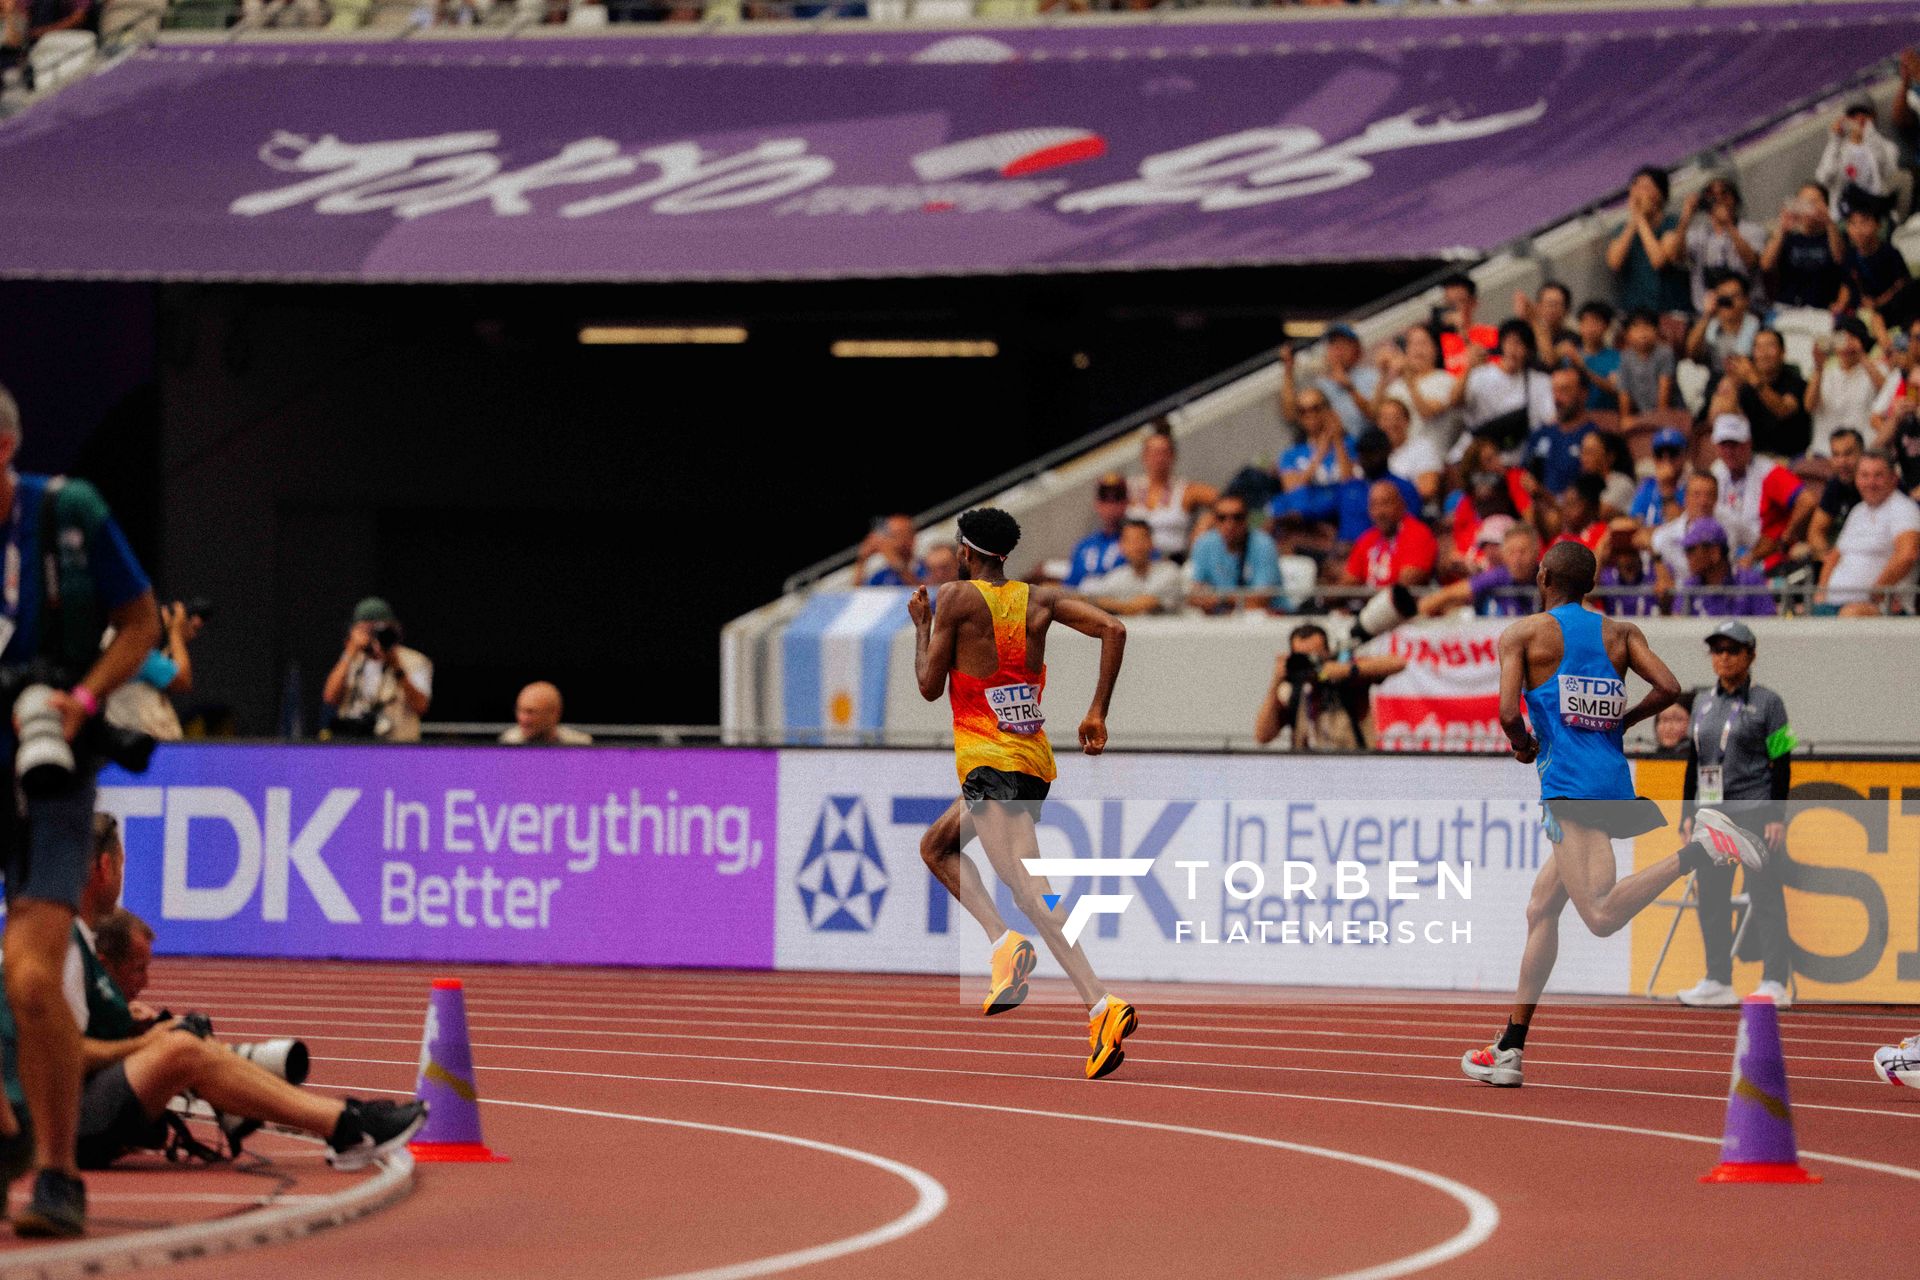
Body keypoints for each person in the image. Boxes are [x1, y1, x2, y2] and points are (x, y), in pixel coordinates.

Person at [1462, 542, 1756, 1089]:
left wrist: (1525, 743)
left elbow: (1507, 713)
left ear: (1543, 575)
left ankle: (1704, 849)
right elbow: (1668, 688)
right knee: (1540, 909)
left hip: (1571, 790)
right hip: (1610, 781)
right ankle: (1510, 1046)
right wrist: (1621, 720)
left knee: (1598, 915)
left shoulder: (1523, 635)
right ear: (1591, 585)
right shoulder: (1620, 634)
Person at [10, 815, 427, 1173]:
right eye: (121, 865)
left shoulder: (73, 940)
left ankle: (345, 1120)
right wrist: (143, 1043)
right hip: (61, 1121)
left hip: (73, 1107)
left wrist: (131, 1023)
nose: (121, 877)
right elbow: (57, 1054)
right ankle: (345, 1125)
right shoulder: (61, 945)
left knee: (181, 1039)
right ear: (104, 867)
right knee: (179, 1049)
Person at [0, 382, 160, 1238]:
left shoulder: (68, 513)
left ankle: (58, 1174)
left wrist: (83, 701)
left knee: (30, 978)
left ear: (3, 450)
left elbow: (140, 625)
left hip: (48, 770)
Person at [908, 508, 1138, 1080]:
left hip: (991, 763)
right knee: (937, 848)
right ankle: (1005, 943)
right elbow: (1115, 628)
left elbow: (929, 688)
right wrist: (1096, 712)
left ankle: (1101, 1004)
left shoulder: (956, 598)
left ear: (965, 550)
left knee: (1034, 892)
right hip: (1030, 762)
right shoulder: (1040, 600)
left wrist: (922, 626)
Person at [1672, 621, 1797, 1008]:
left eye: (1732, 649)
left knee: (1764, 896)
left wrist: (1777, 815)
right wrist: (1687, 813)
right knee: (1711, 897)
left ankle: (1775, 980)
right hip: (1713, 814)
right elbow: (1695, 761)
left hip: (1756, 810)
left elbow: (1784, 761)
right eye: (1717, 649)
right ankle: (1717, 979)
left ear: (1751, 655)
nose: (1723, 657)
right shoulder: (1702, 703)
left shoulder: (1770, 702)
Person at [1253, 623, 1406, 753]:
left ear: (1327, 653)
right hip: (1307, 772)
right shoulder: (1292, 690)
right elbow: (1263, 735)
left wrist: (1345, 670)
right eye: (1302, 657)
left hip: (1354, 767)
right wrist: (1276, 681)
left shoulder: (1346, 675)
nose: (1309, 664)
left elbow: (1398, 663)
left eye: (1314, 657)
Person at [1818, 450, 1920, 614]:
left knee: (1850, 615)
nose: (1870, 482)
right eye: (1864, 476)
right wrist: (1820, 594)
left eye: (1878, 475)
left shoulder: (1904, 509)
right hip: (1834, 603)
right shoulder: (1858, 511)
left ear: (1894, 478)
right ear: (1856, 479)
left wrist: (1877, 592)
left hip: (1882, 608)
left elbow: (1908, 554)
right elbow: (1835, 556)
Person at [321, 598, 432, 742]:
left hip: (398, 749)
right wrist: (350, 651)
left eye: (379, 630)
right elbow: (330, 697)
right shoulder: (352, 660)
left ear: (394, 630)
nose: (374, 636)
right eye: (367, 630)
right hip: (354, 747)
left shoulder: (415, 661)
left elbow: (421, 707)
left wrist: (396, 666)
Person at [104, 599, 204, 744]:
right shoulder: (128, 644)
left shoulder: (113, 639)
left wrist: (174, 636)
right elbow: (181, 680)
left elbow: (158, 671)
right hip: (140, 745)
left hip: (133, 742)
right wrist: (175, 633)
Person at [1672, 176, 1766, 313]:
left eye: (1724, 193)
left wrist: (1728, 224)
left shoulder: (1752, 231)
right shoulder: (1698, 234)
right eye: (1712, 196)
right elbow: (1676, 257)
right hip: (1708, 312)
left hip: (1748, 310)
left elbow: (1751, 262)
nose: (1719, 200)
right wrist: (1686, 217)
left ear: (1735, 199)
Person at [1608, 166, 1688, 317]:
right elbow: (1614, 263)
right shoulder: (1622, 229)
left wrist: (1640, 219)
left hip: (1669, 310)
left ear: (1660, 193)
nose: (1639, 192)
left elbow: (1659, 260)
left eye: (1646, 187)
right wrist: (1634, 222)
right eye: (1635, 186)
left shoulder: (1672, 224)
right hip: (1635, 312)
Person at [1420, 521, 1540, 618]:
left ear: (1536, 552)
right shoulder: (1498, 575)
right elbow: (1453, 593)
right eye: (1511, 552)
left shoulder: (1547, 578)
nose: (1517, 559)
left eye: (1523, 551)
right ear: (1504, 554)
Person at [1127, 429, 1215, 561]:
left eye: (1164, 453)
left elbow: (1225, 501)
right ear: (1144, 456)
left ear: (1173, 456)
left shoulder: (1185, 490)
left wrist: (1205, 523)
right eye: (1154, 453)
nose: (1159, 458)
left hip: (1173, 561)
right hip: (1136, 564)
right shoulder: (1131, 488)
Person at [1186, 496, 1282, 615]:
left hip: (1264, 618)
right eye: (1222, 518)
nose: (1230, 524)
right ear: (1214, 520)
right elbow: (1194, 594)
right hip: (1221, 617)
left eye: (1237, 517)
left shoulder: (1264, 545)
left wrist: (1220, 598)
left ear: (1247, 519)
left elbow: (1260, 600)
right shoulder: (1204, 543)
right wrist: (1207, 601)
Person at [1725, 329, 1811, 459]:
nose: (1764, 353)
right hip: (1755, 457)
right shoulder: (1746, 386)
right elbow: (1731, 420)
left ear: (1783, 352)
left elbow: (1783, 409)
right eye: (1758, 347)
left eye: (1770, 346)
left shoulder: (1797, 383)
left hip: (1791, 458)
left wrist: (1755, 380)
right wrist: (1733, 385)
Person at [1808, 317, 1886, 457]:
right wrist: (1818, 369)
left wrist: (1861, 354)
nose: (1846, 344)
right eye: (1841, 338)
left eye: (1852, 338)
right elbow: (1809, 406)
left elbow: (1887, 392)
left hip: (1865, 453)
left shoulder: (1877, 369)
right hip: (1825, 452)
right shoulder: (1824, 373)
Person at [1762, 182, 1845, 312]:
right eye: (1803, 202)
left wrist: (1828, 221)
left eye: (1814, 202)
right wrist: (1782, 228)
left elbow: (1840, 260)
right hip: (1787, 307)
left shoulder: (1833, 235)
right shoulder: (1788, 236)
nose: (1808, 207)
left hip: (1822, 309)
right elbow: (1766, 265)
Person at [1342, 481, 1436, 589]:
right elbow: (1347, 584)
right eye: (1374, 505)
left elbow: (1404, 587)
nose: (1379, 512)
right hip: (1367, 602)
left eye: (1385, 503)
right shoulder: (1368, 538)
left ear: (1401, 505)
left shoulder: (1418, 534)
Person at [1523, 367, 1600, 497]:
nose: (1557, 398)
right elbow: (1523, 475)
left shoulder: (1593, 438)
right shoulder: (1540, 434)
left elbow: (1590, 493)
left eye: (1564, 390)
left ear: (1583, 394)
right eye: (1554, 390)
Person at [1678, 519, 1776, 618]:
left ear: (1714, 553)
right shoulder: (1689, 587)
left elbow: (1769, 626)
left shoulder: (1750, 581)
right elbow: (1675, 624)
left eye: (1690, 550)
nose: (1687, 556)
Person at [1083, 520, 1182, 616]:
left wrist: (1095, 601)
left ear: (1151, 543)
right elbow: (1095, 598)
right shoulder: (1118, 574)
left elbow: (1134, 608)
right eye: (1130, 540)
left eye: (1140, 539)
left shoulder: (1169, 571)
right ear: (1121, 546)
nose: (1136, 546)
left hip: (1169, 631)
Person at [1809, 427, 1866, 558]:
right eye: (1836, 455)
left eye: (1848, 454)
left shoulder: (1876, 484)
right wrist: (1829, 558)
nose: (1842, 462)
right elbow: (1815, 532)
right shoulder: (1836, 484)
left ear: (1862, 454)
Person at [1063, 474, 1129, 587]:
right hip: (1080, 600)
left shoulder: (1138, 541)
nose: (1111, 507)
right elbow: (1069, 586)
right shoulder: (1084, 545)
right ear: (1097, 504)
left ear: (1126, 502)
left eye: (1117, 499)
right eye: (1105, 500)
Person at [499, 681, 591, 745]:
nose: (522, 718)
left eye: (530, 712)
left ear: (554, 713)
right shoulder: (508, 743)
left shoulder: (580, 746)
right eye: (519, 710)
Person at [1630, 427, 1690, 526]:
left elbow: (1679, 526)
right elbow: (1635, 520)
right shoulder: (1648, 484)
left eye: (1672, 453)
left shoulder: (1693, 484)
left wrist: (1666, 487)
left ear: (1685, 455)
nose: (1666, 459)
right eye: (1659, 453)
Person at [856, 514, 922, 587]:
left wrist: (895, 561)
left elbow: (926, 592)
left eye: (899, 535)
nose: (895, 542)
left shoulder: (925, 565)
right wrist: (862, 561)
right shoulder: (883, 572)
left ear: (912, 538)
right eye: (891, 536)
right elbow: (857, 593)